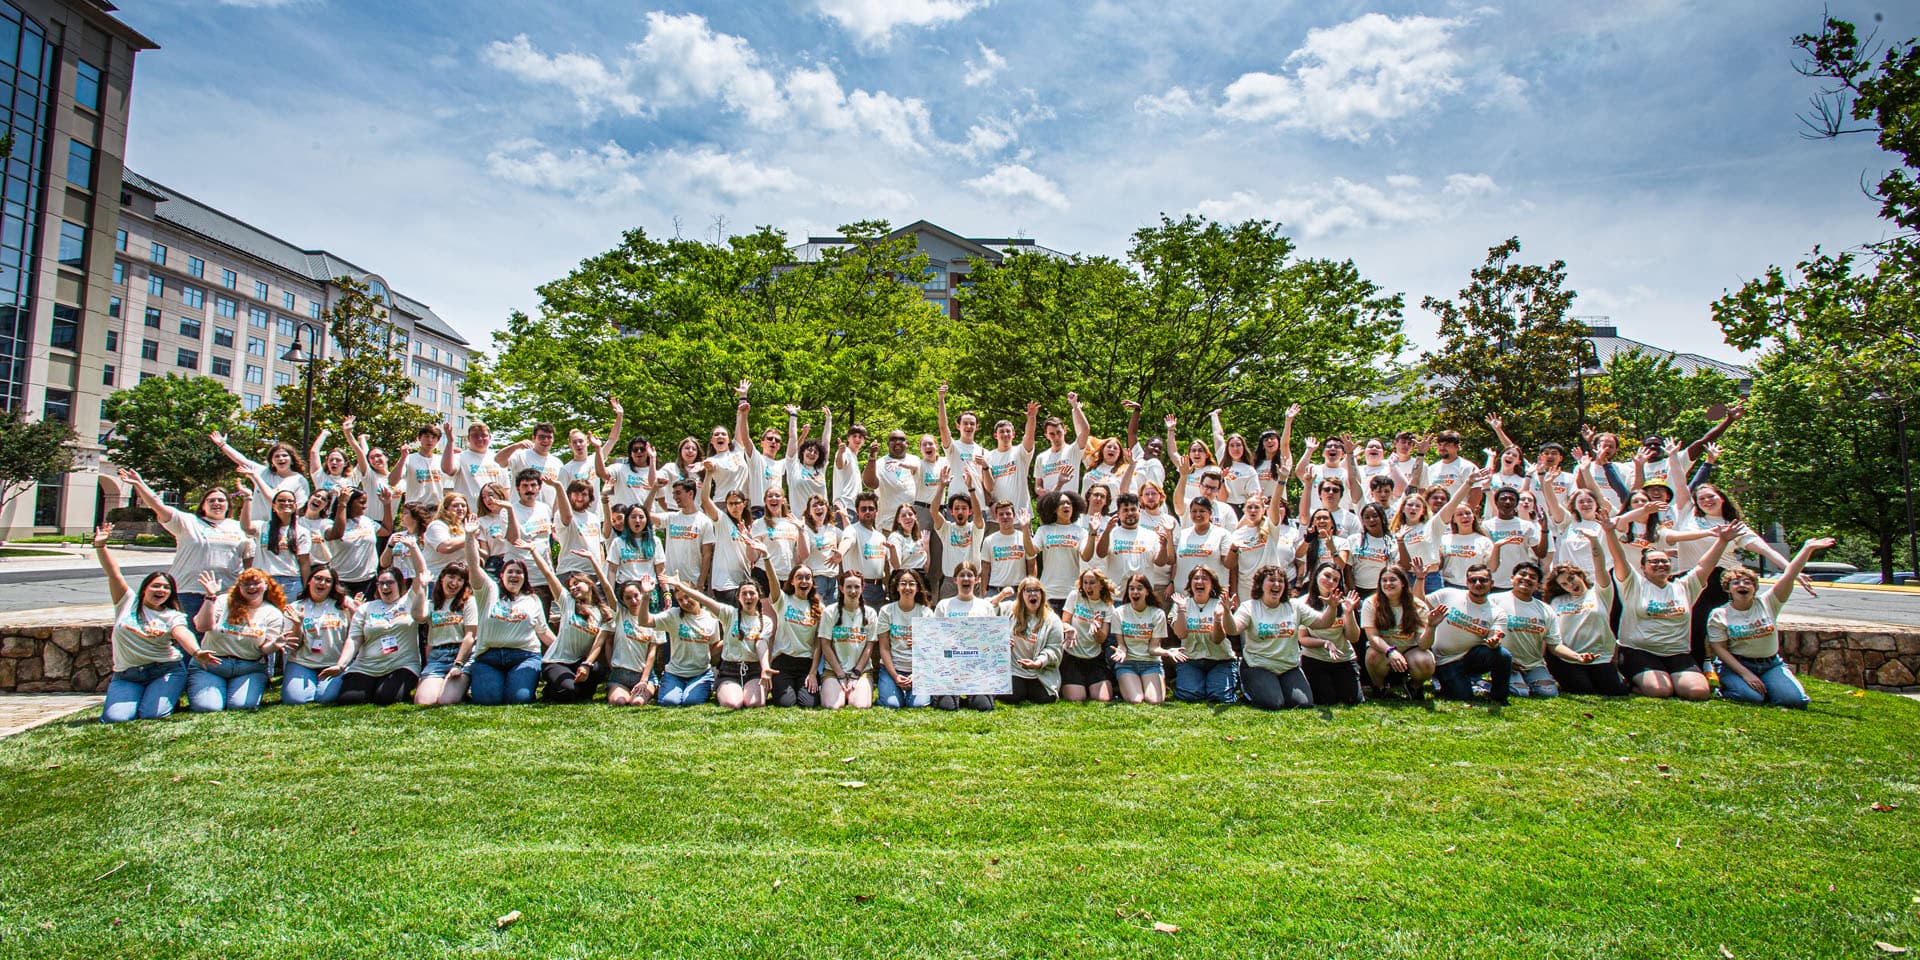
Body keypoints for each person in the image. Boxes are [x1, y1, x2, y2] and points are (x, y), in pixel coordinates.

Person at [1599, 517, 1743, 701]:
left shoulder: (1684, 587)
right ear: (1643, 567)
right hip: (1639, 651)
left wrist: (1722, 541)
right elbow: (1620, 558)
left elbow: (1704, 565)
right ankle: (1637, 683)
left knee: (1698, 692)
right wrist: (1610, 532)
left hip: (1676, 653)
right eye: (1654, 562)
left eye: (1664, 561)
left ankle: (1669, 677)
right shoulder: (1633, 584)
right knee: (1660, 690)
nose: (1661, 565)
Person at [92, 524, 215, 723]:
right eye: (156, 586)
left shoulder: (172, 615)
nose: (161, 590)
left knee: (152, 715)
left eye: (166, 588)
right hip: (127, 675)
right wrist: (101, 547)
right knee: (116, 718)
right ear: (144, 589)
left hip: (164, 670)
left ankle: (163, 695)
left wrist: (195, 652)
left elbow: (182, 633)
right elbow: (114, 574)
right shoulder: (127, 602)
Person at [1708, 537, 1836, 708]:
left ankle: (1769, 687)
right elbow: (1719, 649)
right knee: (1752, 698)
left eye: (1747, 582)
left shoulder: (1768, 602)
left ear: (1754, 587)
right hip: (1736, 665)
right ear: (1728, 589)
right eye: (1736, 582)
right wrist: (1746, 674)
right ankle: (1731, 689)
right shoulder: (1720, 614)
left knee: (1794, 701)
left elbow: (1789, 575)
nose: (1742, 585)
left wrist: (1807, 549)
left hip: (1770, 664)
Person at [118, 469, 251, 624]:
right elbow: (157, 504)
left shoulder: (239, 528)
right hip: (189, 592)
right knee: (188, 640)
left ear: (228, 506)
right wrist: (139, 484)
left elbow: (249, 562)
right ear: (202, 505)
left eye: (221, 500)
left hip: (226, 594)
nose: (216, 503)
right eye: (211, 500)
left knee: (219, 639)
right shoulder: (187, 522)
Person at [448, 532, 555, 705]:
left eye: (519, 573)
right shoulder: (489, 593)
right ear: (501, 576)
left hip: (524, 656)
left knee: (518, 699)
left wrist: (566, 652)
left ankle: (519, 683)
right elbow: (474, 568)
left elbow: (543, 633)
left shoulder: (532, 600)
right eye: (510, 572)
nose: (514, 575)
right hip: (489, 657)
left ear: (524, 578)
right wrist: (469, 536)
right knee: (487, 700)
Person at [1233, 563, 1338, 710]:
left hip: (1288, 667)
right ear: (1260, 584)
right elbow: (1233, 629)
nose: (1277, 584)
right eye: (1271, 580)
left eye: (1281, 581)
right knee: (1273, 703)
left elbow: (1323, 622)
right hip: (1258, 665)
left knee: (1303, 704)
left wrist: (1332, 607)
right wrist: (1225, 613)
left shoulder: (1294, 606)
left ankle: (1277, 686)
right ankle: (1248, 688)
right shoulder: (1249, 607)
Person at [659, 575, 772, 710]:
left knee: (754, 703)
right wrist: (681, 586)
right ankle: (727, 689)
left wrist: (765, 668)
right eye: (744, 593)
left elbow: (761, 644)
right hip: (730, 671)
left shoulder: (766, 621)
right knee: (733, 704)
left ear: (758, 596)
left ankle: (748, 690)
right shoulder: (729, 613)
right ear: (738, 597)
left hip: (753, 670)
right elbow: (704, 600)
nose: (748, 597)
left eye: (752, 593)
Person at [327, 556, 425, 706]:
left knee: (385, 698)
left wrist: (412, 547)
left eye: (389, 583)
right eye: (381, 583)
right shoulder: (366, 608)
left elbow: (421, 573)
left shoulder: (409, 601)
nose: (385, 587)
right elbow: (353, 639)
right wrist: (341, 665)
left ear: (400, 583)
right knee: (349, 699)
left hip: (401, 664)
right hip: (366, 666)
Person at [187, 568, 289, 712]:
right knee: (208, 707)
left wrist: (275, 645)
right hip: (211, 665)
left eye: (256, 583)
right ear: (239, 586)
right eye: (246, 584)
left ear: (266, 585)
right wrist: (210, 597)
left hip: (249, 668)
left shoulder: (273, 613)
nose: (251, 587)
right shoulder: (223, 601)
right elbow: (202, 627)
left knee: (242, 706)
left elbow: (264, 649)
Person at [1542, 531, 1630, 697]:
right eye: (1564, 584)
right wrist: (1577, 657)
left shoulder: (1599, 592)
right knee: (1584, 690)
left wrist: (1594, 541)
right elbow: (1554, 640)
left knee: (1616, 691)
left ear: (1580, 575)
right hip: (1569, 657)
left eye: (1572, 578)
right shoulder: (1557, 602)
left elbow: (1599, 566)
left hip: (1599, 656)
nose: (1570, 584)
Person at [530, 544, 613, 703]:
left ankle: (579, 691)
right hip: (556, 661)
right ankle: (553, 690)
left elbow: (599, 642)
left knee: (598, 670)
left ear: (589, 584)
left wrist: (587, 665)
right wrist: (533, 551)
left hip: (578, 662)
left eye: (577, 583)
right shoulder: (567, 602)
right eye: (571, 586)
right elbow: (548, 574)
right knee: (568, 692)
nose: (573, 588)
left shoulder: (602, 613)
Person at [1494, 561, 1588, 699]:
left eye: (1532, 577)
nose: (1526, 578)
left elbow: (1555, 645)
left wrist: (1578, 657)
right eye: (1523, 574)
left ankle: (1525, 680)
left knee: (1549, 692)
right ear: (1512, 578)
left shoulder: (1546, 609)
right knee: (1520, 693)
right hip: (1505, 661)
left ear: (1538, 585)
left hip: (1534, 664)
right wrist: (1502, 658)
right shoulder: (1494, 601)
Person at [1423, 563, 1511, 704]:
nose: (1478, 583)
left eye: (1483, 580)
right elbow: (1419, 602)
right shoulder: (1448, 594)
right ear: (1466, 582)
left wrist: (1494, 642)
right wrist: (1421, 579)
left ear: (1492, 583)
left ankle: (1499, 697)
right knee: (1463, 696)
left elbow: (1496, 634)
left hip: (1470, 657)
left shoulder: (1497, 612)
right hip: (1443, 659)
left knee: (1503, 655)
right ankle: (1443, 680)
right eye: (1473, 580)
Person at [1361, 561, 1433, 700]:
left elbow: (1424, 645)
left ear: (1403, 583)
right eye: (1384, 580)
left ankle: (1415, 687)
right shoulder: (1371, 603)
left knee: (1426, 661)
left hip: (1410, 649)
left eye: (1393, 579)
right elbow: (1373, 637)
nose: (1388, 583)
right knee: (1372, 656)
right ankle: (1379, 688)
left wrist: (1432, 626)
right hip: (1383, 649)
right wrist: (1390, 651)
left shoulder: (1417, 605)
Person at [283, 564, 351, 705]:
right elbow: (292, 646)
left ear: (333, 585)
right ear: (309, 581)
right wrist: (297, 624)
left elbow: (354, 638)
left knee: (326, 698)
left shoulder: (343, 606)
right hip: (302, 663)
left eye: (327, 581)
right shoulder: (295, 607)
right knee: (295, 700)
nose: (322, 583)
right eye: (318, 578)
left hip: (333, 663)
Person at [414, 559, 479, 707]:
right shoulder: (433, 604)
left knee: (446, 701)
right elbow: (418, 616)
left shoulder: (469, 602)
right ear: (442, 577)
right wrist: (423, 587)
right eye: (451, 577)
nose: (454, 583)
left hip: (461, 654)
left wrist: (458, 664)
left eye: (460, 579)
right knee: (423, 702)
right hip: (437, 656)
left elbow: (470, 636)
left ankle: (459, 688)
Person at [1296, 563, 1364, 705]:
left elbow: (1354, 637)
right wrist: (1324, 643)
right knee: (1326, 699)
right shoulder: (1302, 604)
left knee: (1353, 700)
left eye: (1335, 579)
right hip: (1315, 659)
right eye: (1327, 576)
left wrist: (1349, 613)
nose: (1330, 581)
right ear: (1316, 576)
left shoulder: (1345, 602)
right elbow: (1302, 639)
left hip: (1343, 659)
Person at [763, 554, 825, 708]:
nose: (804, 581)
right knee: (786, 703)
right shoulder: (783, 600)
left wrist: (813, 673)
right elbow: (773, 581)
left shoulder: (819, 608)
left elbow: (818, 645)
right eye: (799, 577)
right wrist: (766, 558)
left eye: (808, 578)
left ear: (812, 582)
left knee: (808, 703)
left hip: (806, 664)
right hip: (783, 662)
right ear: (792, 581)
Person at [1169, 567, 1237, 704]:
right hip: (1191, 660)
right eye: (1196, 578)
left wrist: (1218, 618)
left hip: (1220, 660)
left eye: (1205, 578)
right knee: (1190, 696)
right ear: (1190, 584)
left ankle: (1215, 680)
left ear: (1212, 584)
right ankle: (1190, 680)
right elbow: (1181, 634)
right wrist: (1182, 609)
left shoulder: (1220, 604)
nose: (1200, 581)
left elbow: (1218, 639)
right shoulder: (1180, 604)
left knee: (1220, 698)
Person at [817, 569, 877, 710]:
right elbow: (825, 645)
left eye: (857, 587)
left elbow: (869, 646)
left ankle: (862, 688)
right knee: (833, 705)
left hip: (861, 671)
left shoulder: (870, 613)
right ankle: (829, 688)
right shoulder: (830, 612)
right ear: (841, 588)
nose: (853, 591)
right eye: (848, 587)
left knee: (859, 705)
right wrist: (840, 674)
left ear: (862, 588)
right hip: (833, 670)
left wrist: (856, 674)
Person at [877, 568, 936, 709]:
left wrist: (916, 674)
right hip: (892, 668)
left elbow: (931, 649)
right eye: (903, 584)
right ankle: (894, 688)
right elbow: (884, 648)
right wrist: (895, 676)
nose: (907, 588)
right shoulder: (886, 611)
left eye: (911, 584)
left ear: (917, 588)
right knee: (892, 704)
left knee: (918, 705)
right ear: (897, 587)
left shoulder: (926, 613)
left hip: (919, 670)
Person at [1000, 577, 1065, 705]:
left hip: (1040, 672)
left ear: (1042, 594)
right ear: (1021, 595)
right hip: (1015, 670)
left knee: (1044, 698)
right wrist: (1001, 640)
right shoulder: (1010, 611)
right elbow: (988, 608)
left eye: (1037, 590)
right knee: (1013, 696)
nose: (1033, 594)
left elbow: (1054, 650)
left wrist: (1038, 663)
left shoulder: (1052, 620)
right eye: (1028, 590)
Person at [239, 485, 311, 599]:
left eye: (290, 501)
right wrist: (248, 498)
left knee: (289, 615)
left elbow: (304, 563)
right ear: (273, 506)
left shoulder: (302, 532)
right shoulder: (262, 526)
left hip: (291, 581)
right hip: (263, 580)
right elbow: (246, 526)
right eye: (281, 500)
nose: (286, 503)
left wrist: (307, 589)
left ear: (295, 506)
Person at [1111, 573, 1173, 704]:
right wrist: (1121, 651)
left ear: (1147, 592)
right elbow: (1121, 645)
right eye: (1131, 588)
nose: (1135, 592)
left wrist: (1168, 652)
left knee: (1154, 701)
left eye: (1139, 588)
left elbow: (1153, 648)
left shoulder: (1157, 614)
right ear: (1127, 592)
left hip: (1151, 663)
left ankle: (1157, 681)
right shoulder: (1119, 612)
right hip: (1127, 664)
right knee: (1136, 700)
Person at [605, 575, 664, 707]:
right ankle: (617, 690)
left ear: (642, 595)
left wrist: (643, 680)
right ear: (623, 601)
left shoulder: (655, 621)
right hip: (620, 675)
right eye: (628, 598)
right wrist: (593, 560)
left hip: (644, 675)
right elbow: (607, 588)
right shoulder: (620, 615)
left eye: (636, 595)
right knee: (619, 702)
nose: (633, 600)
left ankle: (650, 688)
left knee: (637, 702)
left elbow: (652, 653)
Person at [1059, 568, 1116, 703]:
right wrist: (1070, 629)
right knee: (1077, 698)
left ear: (1101, 585)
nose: (1088, 587)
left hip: (1094, 658)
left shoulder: (1107, 606)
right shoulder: (1075, 596)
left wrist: (1096, 630)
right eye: (1085, 583)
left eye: (1092, 583)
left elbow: (1102, 639)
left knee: (1104, 698)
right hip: (1072, 656)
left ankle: (1091, 684)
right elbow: (1064, 622)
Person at [1033, 490, 1088, 613]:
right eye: (1061, 503)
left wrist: (1093, 534)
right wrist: (1026, 529)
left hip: (1073, 593)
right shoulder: (1044, 530)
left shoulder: (1081, 532)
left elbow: (1086, 556)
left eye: (1069, 503)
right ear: (1054, 509)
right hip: (1048, 592)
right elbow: (1031, 551)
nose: (1066, 506)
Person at [1033, 393, 1091, 498]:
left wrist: (1075, 407)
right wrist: (1040, 490)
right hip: (1050, 505)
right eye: (1052, 434)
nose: (1056, 437)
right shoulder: (1041, 457)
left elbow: (1085, 430)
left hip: (1070, 504)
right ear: (1046, 435)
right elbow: (1038, 485)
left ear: (1065, 431)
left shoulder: (1073, 450)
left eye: (1059, 432)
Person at [326, 489, 381, 598]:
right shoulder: (328, 523)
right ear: (349, 502)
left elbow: (386, 530)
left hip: (367, 580)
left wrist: (387, 504)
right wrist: (342, 504)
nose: (365, 506)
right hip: (341, 580)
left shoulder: (366, 521)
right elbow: (336, 533)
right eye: (361, 502)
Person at [981, 498, 1036, 596]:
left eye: (1008, 514)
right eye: (1001, 514)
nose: (1005, 517)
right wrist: (983, 591)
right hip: (995, 591)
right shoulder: (989, 540)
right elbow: (985, 568)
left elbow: (1032, 564)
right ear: (996, 517)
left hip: (1018, 591)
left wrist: (1032, 588)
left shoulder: (1024, 537)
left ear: (1014, 516)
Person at [798, 494, 845, 606]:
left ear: (827, 509)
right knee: (817, 613)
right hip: (816, 578)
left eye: (821, 504)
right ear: (809, 512)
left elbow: (848, 538)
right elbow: (803, 555)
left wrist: (845, 518)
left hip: (833, 579)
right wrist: (800, 531)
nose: (818, 507)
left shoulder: (832, 529)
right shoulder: (806, 530)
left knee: (832, 615)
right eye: (814, 506)